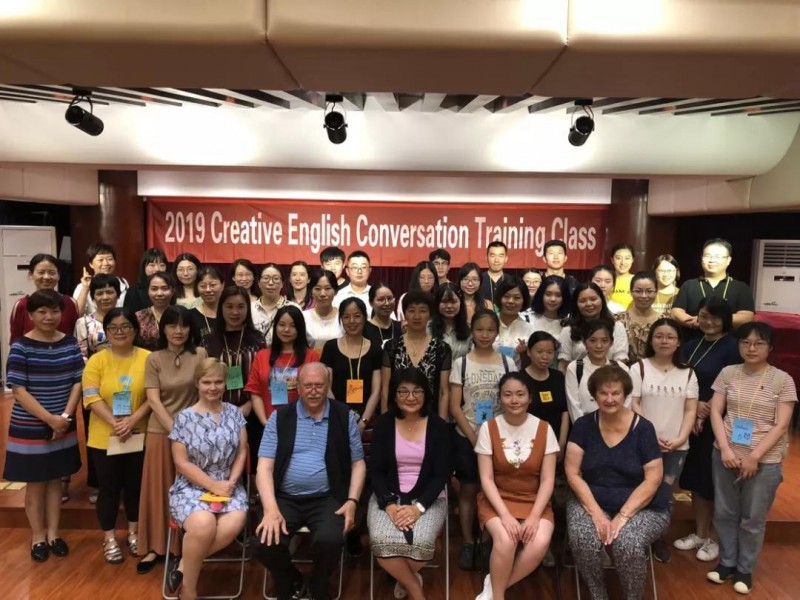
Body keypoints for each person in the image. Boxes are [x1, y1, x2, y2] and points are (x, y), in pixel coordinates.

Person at [254, 363, 366, 600]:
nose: (314, 391)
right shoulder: (280, 417)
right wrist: (270, 509)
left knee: (330, 540)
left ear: (327, 387)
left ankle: (318, 583)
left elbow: (358, 463)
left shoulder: (344, 416)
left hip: (328, 497)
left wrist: (352, 500)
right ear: (298, 388)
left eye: (319, 385)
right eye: (308, 386)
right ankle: (291, 579)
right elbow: (264, 466)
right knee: (264, 544)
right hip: (284, 497)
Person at [565, 365, 671, 600]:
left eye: (616, 393)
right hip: (592, 500)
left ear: (626, 395)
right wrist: (597, 515)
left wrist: (622, 517)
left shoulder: (643, 428)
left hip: (641, 504)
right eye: (603, 393)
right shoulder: (583, 426)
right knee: (584, 539)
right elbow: (572, 473)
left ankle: (633, 597)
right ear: (594, 395)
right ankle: (597, 593)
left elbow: (653, 478)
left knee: (628, 542)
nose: (610, 399)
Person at [706, 322, 797, 594]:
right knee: (724, 512)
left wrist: (754, 456)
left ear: (770, 347)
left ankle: (744, 570)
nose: (751, 348)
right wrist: (724, 449)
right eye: (745, 342)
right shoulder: (728, 373)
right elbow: (715, 412)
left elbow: (781, 425)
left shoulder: (782, 380)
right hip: (726, 454)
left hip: (763, 460)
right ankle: (726, 563)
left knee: (752, 518)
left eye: (758, 343)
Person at [4, 290, 83, 562]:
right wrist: (50, 419)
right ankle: (38, 536)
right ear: (31, 315)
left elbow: (78, 382)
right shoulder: (20, 346)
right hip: (30, 426)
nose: (49, 317)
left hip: (63, 423)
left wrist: (65, 417)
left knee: (56, 481)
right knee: (36, 483)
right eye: (42, 312)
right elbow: (19, 390)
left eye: (54, 311)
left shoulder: (70, 343)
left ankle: (54, 533)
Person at [166, 359, 249, 600]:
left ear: (225, 384)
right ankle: (189, 590)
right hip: (192, 486)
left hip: (229, 484)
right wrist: (212, 485)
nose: (213, 387)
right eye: (207, 382)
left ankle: (183, 567)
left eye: (218, 382)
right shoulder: (183, 418)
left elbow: (242, 451)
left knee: (236, 520)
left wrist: (231, 482)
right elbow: (181, 462)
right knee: (203, 525)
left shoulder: (235, 413)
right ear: (197, 383)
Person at [474, 372, 559, 600]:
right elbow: (486, 479)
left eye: (520, 394)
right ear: (499, 398)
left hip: (534, 499)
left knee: (539, 542)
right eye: (508, 394)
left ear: (530, 398)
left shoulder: (544, 428)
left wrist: (534, 516)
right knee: (506, 539)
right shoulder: (488, 428)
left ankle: (493, 590)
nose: (514, 400)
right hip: (497, 499)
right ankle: (499, 596)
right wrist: (505, 515)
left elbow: (548, 480)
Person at [369, 367, 451, 600]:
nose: (411, 397)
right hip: (387, 496)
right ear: (393, 396)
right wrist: (390, 505)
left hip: (429, 497)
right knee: (381, 543)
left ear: (426, 394)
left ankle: (402, 576)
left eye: (417, 391)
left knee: (422, 545)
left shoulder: (438, 426)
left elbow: (440, 475)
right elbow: (376, 471)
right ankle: (415, 588)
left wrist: (418, 508)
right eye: (403, 391)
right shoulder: (385, 423)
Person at [137, 306, 207, 575]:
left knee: (189, 491)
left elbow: (207, 390)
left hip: (194, 433)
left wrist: (190, 431)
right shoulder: (154, 358)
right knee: (160, 489)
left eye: (183, 326)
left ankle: (183, 546)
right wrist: (178, 432)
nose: (178, 331)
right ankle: (156, 546)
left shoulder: (199, 354)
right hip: (161, 433)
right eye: (172, 326)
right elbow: (153, 400)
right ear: (162, 329)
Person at [82, 308, 151, 564]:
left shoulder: (148, 358)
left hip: (139, 433)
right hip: (104, 436)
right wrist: (116, 422)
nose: (120, 332)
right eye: (113, 327)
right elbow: (90, 396)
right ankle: (109, 537)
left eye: (125, 326)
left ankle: (134, 532)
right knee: (109, 489)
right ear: (106, 331)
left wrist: (132, 420)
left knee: (135, 488)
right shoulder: (97, 360)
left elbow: (154, 396)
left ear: (135, 329)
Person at [674, 297, 740, 563]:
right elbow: (680, 378)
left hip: (719, 423)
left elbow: (732, 382)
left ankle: (715, 536)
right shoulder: (691, 345)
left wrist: (708, 408)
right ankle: (700, 533)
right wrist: (696, 407)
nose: (708, 322)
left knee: (715, 482)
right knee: (697, 481)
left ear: (725, 320)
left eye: (714, 317)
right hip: (692, 419)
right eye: (703, 316)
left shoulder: (733, 347)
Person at [449, 309, 515, 571]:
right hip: (467, 436)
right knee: (468, 489)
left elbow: (513, 400)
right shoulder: (461, 363)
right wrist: (474, 437)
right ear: (472, 331)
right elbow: (455, 406)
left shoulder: (508, 363)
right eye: (479, 329)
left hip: (500, 437)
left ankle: (487, 539)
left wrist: (490, 438)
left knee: (494, 490)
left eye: (490, 330)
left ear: (497, 332)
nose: (485, 335)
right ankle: (468, 541)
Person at [630, 318, 698, 563]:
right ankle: (635, 538)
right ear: (651, 340)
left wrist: (681, 438)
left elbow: (691, 410)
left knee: (664, 494)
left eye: (670, 337)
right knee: (640, 490)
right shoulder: (639, 368)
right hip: (643, 446)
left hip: (677, 446)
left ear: (679, 341)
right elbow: (633, 404)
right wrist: (650, 436)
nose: (664, 341)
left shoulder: (688, 372)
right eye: (659, 336)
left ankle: (658, 538)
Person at [246, 305, 320, 464]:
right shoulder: (262, 356)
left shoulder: (311, 356)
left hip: (304, 425)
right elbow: (255, 393)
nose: (286, 329)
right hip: (270, 425)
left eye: (292, 325)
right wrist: (265, 422)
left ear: (300, 328)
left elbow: (317, 393)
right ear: (275, 326)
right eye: (282, 324)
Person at [382, 291, 452, 419]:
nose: (417, 316)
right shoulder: (392, 347)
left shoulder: (441, 349)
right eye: (411, 310)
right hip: (398, 418)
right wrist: (385, 422)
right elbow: (385, 390)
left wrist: (441, 426)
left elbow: (443, 392)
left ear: (430, 314)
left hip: (430, 418)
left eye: (423, 311)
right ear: (405, 314)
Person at [671, 238, 755, 341]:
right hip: (692, 342)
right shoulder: (689, 285)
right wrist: (693, 322)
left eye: (717, 257)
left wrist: (710, 319)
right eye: (707, 256)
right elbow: (676, 312)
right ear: (702, 258)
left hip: (728, 344)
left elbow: (746, 316)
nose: (711, 260)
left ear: (728, 260)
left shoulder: (741, 287)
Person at [202, 286, 265, 414]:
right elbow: (202, 379)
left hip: (252, 412)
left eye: (241, 307)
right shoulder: (207, 341)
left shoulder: (257, 340)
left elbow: (263, 378)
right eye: (229, 306)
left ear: (248, 308)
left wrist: (249, 405)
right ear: (221, 308)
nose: (235, 312)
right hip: (215, 411)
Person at [321, 298, 382, 428]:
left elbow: (376, 391)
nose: (352, 321)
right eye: (346, 317)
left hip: (367, 419)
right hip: (336, 418)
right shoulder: (331, 347)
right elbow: (326, 387)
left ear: (365, 318)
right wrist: (341, 416)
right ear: (341, 319)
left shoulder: (375, 348)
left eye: (357, 316)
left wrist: (363, 422)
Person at [565, 320, 630, 423]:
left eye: (604, 340)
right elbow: (574, 406)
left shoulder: (621, 368)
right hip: (585, 431)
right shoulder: (575, 368)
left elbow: (627, 402)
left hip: (617, 428)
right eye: (593, 340)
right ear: (584, 342)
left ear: (611, 342)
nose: (599, 346)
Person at [558, 282, 628, 372]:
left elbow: (621, 360)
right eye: (582, 301)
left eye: (593, 299)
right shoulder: (568, 330)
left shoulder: (617, 327)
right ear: (576, 304)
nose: (588, 304)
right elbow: (564, 365)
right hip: (577, 381)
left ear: (602, 300)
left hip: (611, 379)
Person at [10, 254, 79, 344]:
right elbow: (15, 341)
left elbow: (76, 336)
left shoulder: (70, 303)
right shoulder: (21, 305)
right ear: (31, 275)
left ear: (59, 275)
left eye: (52, 272)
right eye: (41, 272)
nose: (46, 277)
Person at [520, 332, 569, 457]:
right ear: (529, 352)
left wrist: (562, 443)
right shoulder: (520, 380)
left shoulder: (558, 377)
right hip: (527, 446)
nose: (545, 357)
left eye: (550, 352)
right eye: (540, 351)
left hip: (556, 445)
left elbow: (565, 411)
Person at [616, 271, 661, 364]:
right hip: (622, 374)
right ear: (631, 292)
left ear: (656, 292)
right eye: (638, 291)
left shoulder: (664, 322)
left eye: (649, 291)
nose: (644, 296)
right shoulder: (617, 319)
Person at [73, 242, 130, 314]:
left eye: (109, 259)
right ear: (91, 264)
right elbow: (77, 314)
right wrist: (85, 288)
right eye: (101, 260)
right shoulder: (82, 287)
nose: (106, 263)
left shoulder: (123, 282)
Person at [75, 274, 120, 360]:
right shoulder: (83, 323)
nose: (105, 297)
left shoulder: (127, 319)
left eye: (109, 292)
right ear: (93, 297)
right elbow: (81, 354)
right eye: (99, 293)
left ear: (118, 295)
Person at [494, 277, 535, 367]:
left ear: (523, 300)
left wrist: (523, 353)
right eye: (506, 296)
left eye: (517, 298)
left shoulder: (529, 329)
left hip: (516, 377)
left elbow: (531, 365)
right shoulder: (489, 323)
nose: (511, 301)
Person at [135, 272, 177, 351]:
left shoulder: (180, 315)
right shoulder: (139, 317)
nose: (159, 293)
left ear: (173, 290)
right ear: (148, 291)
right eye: (154, 289)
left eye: (164, 288)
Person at [430, 283, 471, 361]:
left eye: (453, 302)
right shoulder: (427, 329)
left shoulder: (470, 331)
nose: (449, 306)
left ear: (461, 303)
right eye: (444, 301)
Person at [303, 269, 343, 351]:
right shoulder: (303, 317)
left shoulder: (343, 318)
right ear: (311, 291)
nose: (322, 294)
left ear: (335, 291)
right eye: (317, 289)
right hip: (310, 363)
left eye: (327, 288)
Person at [252, 263, 290, 343]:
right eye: (266, 278)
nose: (270, 283)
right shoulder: (249, 309)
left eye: (275, 279)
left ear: (282, 283)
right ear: (259, 283)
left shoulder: (292, 308)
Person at [123, 248, 168, 314]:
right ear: (144, 267)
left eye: (162, 265)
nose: (157, 269)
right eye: (152, 265)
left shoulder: (170, 290)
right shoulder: (134, 292)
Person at [188, 266, 223, 341]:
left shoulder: (231, 313)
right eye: (203, 286)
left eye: (213, 285)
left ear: (222, 285)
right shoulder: (190, 316)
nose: (208, 290)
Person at [365, 282, 403, 350]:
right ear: (371, 302)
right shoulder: (364, 330)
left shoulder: (401, 328)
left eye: (389, 298)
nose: (387, 303)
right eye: (381, 299)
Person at [480, 241, 511, 306]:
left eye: (500, 256)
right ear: (486, 258)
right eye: (492, 255)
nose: (496, 260)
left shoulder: (511, 281)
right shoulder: (479, 280)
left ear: (506, 259)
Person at [609, 243, 636, 309]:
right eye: (618, 258)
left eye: (627, 258)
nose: (623, 262)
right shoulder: (606, 281)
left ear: (632, 260)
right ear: (612, 260)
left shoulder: (638, 280)